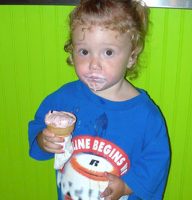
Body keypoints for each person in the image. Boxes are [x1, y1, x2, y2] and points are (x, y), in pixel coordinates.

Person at [28, 0, 170, 199]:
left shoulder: (146, 116)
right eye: (84, 51)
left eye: (108, 52)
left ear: (132, 56)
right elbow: (37, 127)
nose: (94, 64)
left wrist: (128, 186)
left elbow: (156, 162)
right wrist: (43, 141)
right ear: (72, 51)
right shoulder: (63, 99)